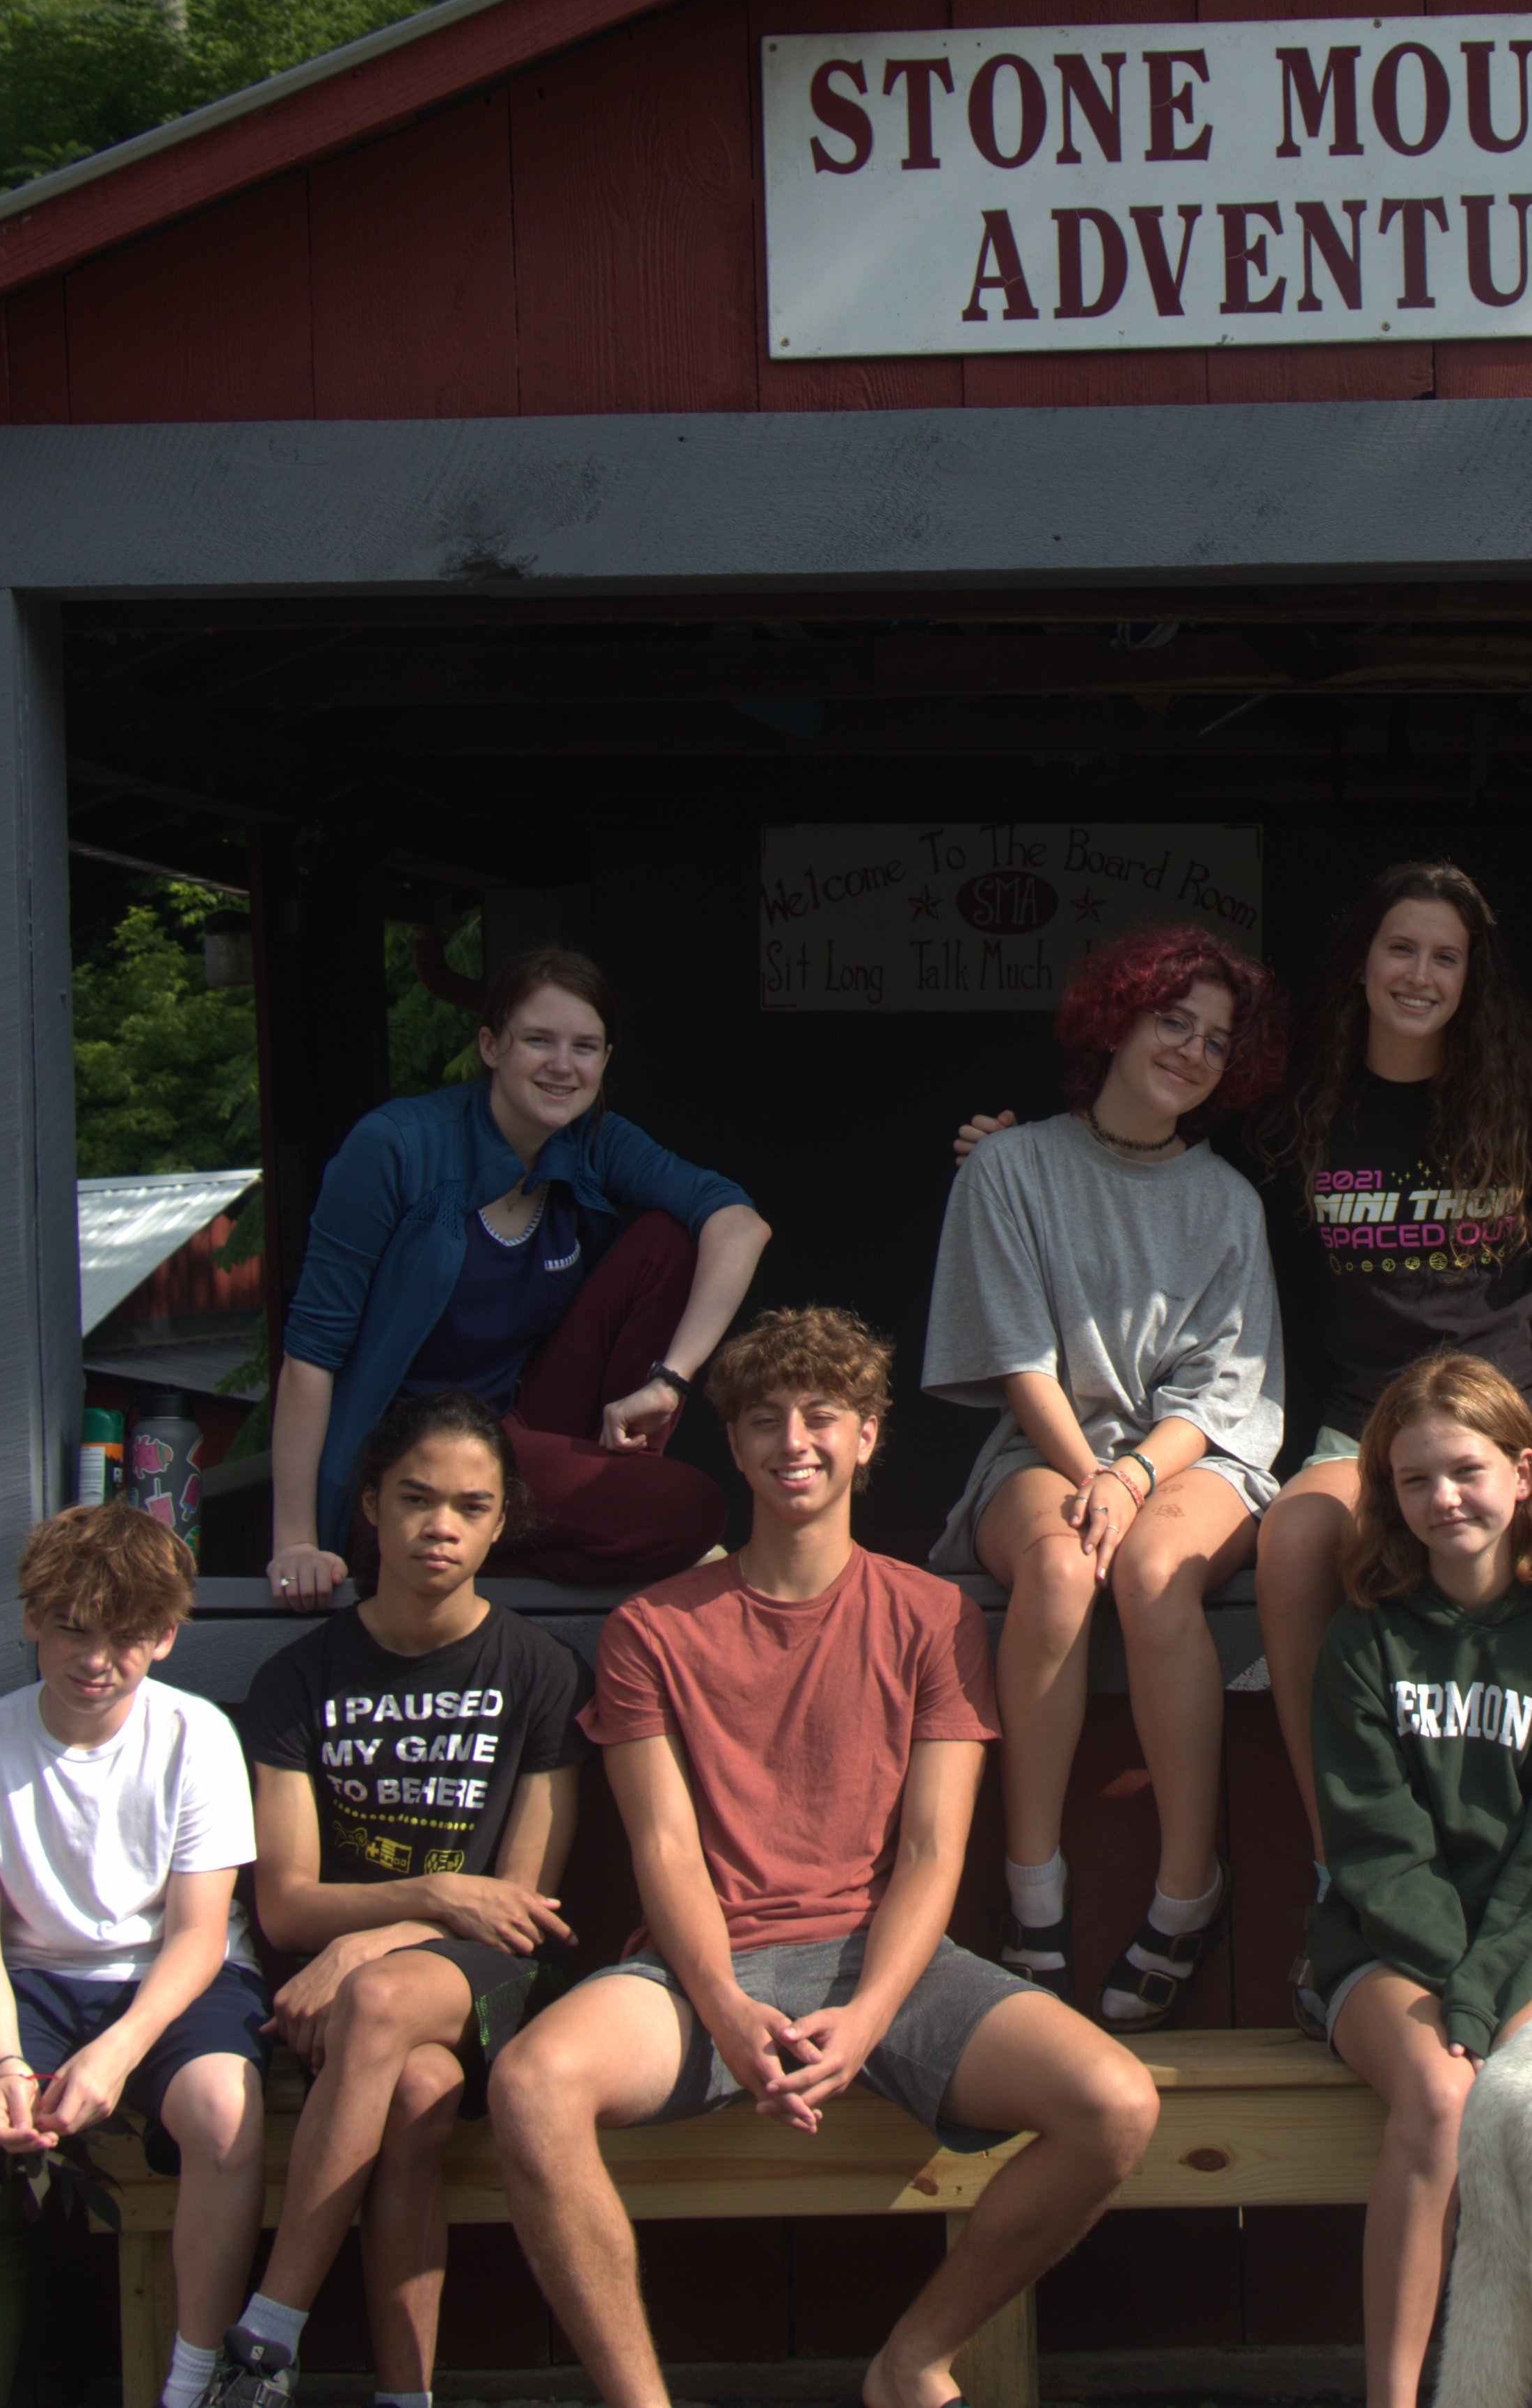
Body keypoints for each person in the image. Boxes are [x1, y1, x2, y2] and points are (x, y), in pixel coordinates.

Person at [950, 863, 1532, 2015]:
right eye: (1400, 950)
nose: (1419, 975)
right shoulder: (1294, 1116)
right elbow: (1134, 1135)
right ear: (1363, 966)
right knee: (1290, 1546)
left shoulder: (1524, 1098)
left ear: (1472, 977)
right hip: (1362, 1416)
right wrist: (1003, 1142)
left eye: (1445, 956)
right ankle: (1345, 1865)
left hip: (1521, 1411)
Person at [487, 1308, 1163, 2408]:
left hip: (884, 1962)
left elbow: (935, 1849)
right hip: (705, 1967)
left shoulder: (935, 1615)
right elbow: (664, 1847)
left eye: (821, 1417)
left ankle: (911, 2362)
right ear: (735, 1442)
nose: (792, 1441)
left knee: (1115, 2102)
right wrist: (720, 2005)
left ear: (869, 1436)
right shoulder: (651, 1629)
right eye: (764, 1419)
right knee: (530, 2084)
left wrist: (869, 2014)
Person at [923, 923, 1289, 2028]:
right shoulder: (1009, 1166)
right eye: (1172, 1020)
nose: (1191, 1050)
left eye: (1217, 1039)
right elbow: (1015, 1355)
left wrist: (1133, 1480)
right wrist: (1097, 1476)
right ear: (1118, 1018)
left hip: (1191, 1455)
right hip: (1046, 1447)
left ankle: (1189, 1888)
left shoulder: (1229, 1201)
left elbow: (1226, 1392)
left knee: (1156, 1571)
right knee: (1059, 1566)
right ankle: (1033, 1893)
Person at [1308, 1353, 1532, 2408]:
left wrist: (1480, 1993)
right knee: (1437, 2093)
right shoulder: (1362, 1647)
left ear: (1524, 1473)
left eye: (1465, 1470)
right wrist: (1453, 1986)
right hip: (1387, 1942)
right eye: (1414, 1481)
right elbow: (1376, 1849)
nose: (1443, 1500)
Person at [211, 1392, 587, 2408]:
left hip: (483, 1981)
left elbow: (520, 1910)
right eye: (417, 1498)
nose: (442, 1526)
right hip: (338, 1989)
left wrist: (375, 1945)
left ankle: (267, 2333)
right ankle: (407, 2398)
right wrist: (421, 1901)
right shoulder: (300, 1680)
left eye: (472, 1505)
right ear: (372, 1504)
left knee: (381, 2005)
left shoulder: (538, 1673)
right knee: (418, 2096)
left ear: (502, 1519)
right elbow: (287, 1908)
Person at [0, 1503, 265, 2408]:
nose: (95, 1659)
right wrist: (2, 2059)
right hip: (30, 1989)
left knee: (226, 2113)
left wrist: (117, 2053)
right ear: (34, 1621)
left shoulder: (198, 1739)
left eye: (124, 1636)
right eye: (73, 1630)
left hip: (171, 1984)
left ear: (164, 1637)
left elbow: (199, 1934)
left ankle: (192, 2381)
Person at [267, 946, 772, 1606]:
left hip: (519, 1426)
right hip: (414, 1449)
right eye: (539, 1040)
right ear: (491, 1046)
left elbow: (740, 1224)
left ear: (606, 1061)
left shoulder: (593, 1140)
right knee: (690, 1511)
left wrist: (669, 1380)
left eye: (585, 1046)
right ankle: (430, 1547)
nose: (563, 1065)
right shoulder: (395, 1146)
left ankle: (589, 1500)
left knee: (667, 1239)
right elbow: (311, 1353)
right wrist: (296, 1541)